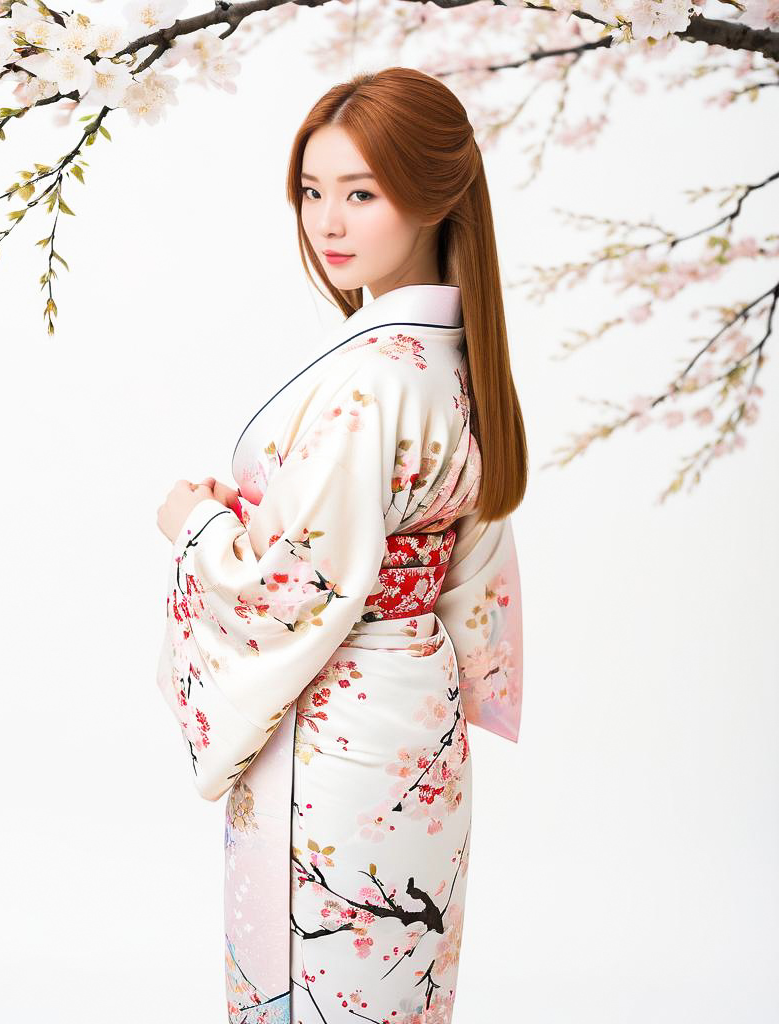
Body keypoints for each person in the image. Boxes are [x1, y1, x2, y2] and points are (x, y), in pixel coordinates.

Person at [155, 66, 527, 1024]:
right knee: (395, 981)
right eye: (313, 193)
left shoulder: (371, 381)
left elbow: (296, 586)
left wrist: (197, 526)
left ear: (436, 193)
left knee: (316, 982)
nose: (328, 222)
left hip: (335, 722)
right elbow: (469, 566)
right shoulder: (458, 359)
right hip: (418, 711)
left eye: (360, 193)